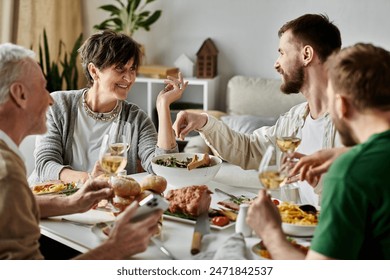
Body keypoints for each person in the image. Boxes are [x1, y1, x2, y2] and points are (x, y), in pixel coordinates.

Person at [0, 42, 163, 259]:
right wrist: (116, 248)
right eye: (42, 87)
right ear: (19, 94)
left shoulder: (7, 160)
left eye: (132, 70)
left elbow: (15, 208)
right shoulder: (7, 173)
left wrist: (72, 203)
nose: (50, 99)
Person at [173, 14, 342, 206]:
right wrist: (205, 123)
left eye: (282, 53)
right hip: (299, 227)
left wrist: (320, 181)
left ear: (306, 55)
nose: (276, 63)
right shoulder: (295, 120)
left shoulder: (353, 122)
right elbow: (249, 150)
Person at [247, 43, 390, 259]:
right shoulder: (357, 164)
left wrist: (269, 232)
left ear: (341, 105)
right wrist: (344, 155)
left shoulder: (348, 173)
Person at [29, 30, 187, 185]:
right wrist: (88, 179)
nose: (129, 78)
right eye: (120, 68)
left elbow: (164, 169)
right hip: (53, 201)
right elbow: (45, 165)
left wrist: (163, 106)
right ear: (94, 71)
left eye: (132, 69)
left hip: (104, 205)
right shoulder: (59, 105)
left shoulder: (137, 119)